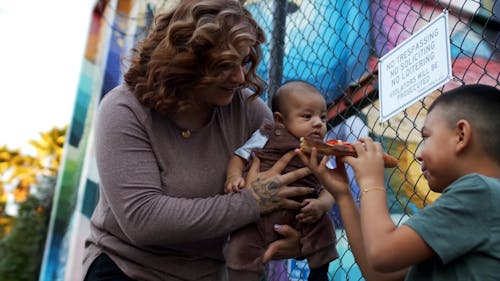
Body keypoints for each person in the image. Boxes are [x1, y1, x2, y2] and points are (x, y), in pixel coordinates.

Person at [81, 1, 315, 280]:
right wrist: (251, 202)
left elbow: (293, 176)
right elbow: (142, 219)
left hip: (208, 273)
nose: (241, 77)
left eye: (244, 62)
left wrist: (297, 239)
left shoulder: (247, 110)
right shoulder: (124, 110)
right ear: (188, 59)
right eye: (226, 65)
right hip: (126, 266)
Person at [297, 84, 500, 280]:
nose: (419, 155)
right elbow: (379, 274)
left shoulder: (479, 192)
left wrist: (370, 180)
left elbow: (381, 253)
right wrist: (343, 195)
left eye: (425, 137)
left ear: (461, 135)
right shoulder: (479, 205)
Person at [223, 80, 338, 281]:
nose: (318, 123)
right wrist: (234, 177)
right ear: (280, 120)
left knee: (324, 228)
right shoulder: (268, 135)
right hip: (255, 218)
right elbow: (239, 157)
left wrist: (321, 204)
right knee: (239, 248)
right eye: (307, 116)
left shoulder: (321, 150)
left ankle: (319, 273)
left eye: (323, 117)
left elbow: (331, 187)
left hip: (301, 215)